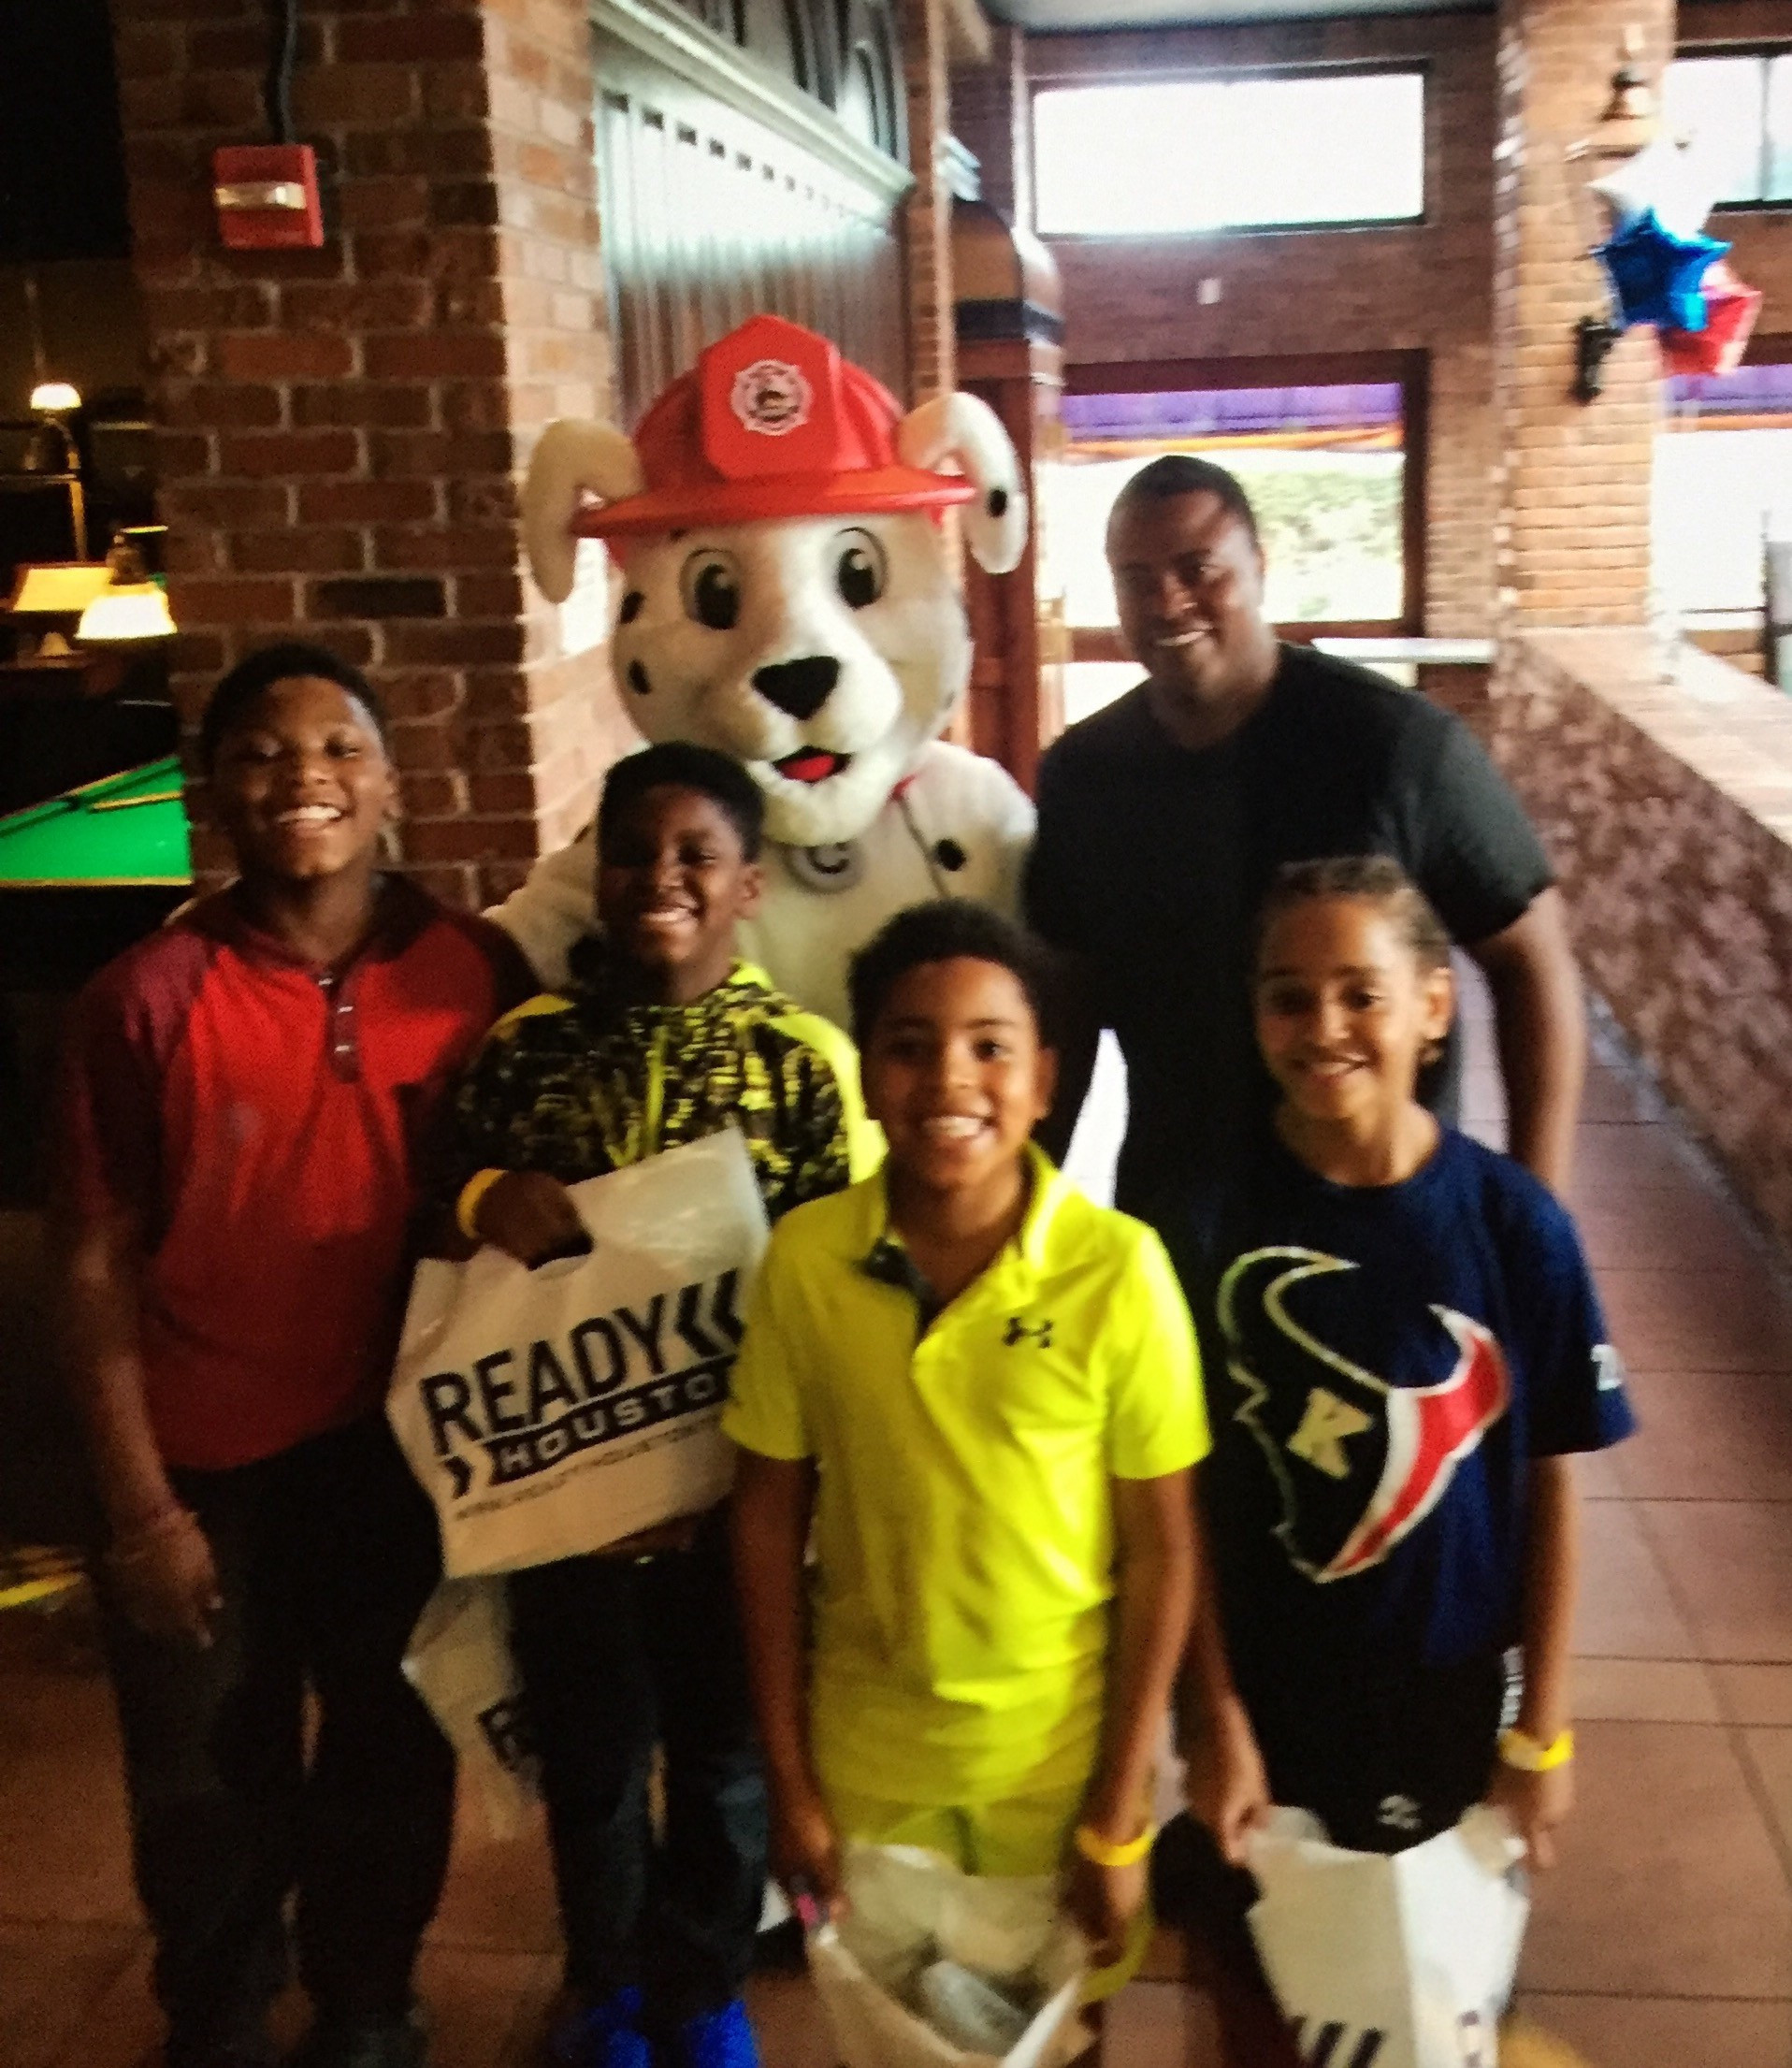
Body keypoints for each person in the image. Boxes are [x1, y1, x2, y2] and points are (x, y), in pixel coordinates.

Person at [54, 643, 532, 2068]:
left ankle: (369, 2003)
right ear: (213, 791)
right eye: (262, 753)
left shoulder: (477, 971)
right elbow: (90, 1262)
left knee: (393, 1742)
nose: (303, 777)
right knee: (206, 1773)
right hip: (201, 1463)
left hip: (400, 1452)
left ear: (389, 784)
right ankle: (217, 2012)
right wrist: (140, 1509)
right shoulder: (144, 996)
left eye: (338, 748)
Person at [447, 741, 875, 2068]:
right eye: (634, 851)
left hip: (737, 1502)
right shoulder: (527, 1048)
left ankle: (702, 1991)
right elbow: (445, 1214)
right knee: (589, 1757)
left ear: (749, 884)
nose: (661, 877)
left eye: (698, 854)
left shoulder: (804, 1062)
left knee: (725, 1757)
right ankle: (608, 1989)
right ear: (597, 871)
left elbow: (846, 1274)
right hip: (566, 1500)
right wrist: (482, 1197)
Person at [1166, 857, 1632, 2041]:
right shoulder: (1202, 1225)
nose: (1321, 1027)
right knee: (1260, 2003)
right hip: (1267, 1699)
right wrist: (1210, 1716)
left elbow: (1552, 1483)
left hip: (1450, 1698)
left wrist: (1541, 1727)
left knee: (1438, 2001)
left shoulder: (1512, 1225)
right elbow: (1177, 1500)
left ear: (1431, 1005)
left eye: (1357, 993)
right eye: (1286, 997)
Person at [726, 901, 1205, 2006]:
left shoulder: (1117, 1272)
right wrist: (788, 1785)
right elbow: (763, 1521)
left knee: (1055, 2034)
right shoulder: (806, 1260)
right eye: (909, 1045)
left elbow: (1162, 1551)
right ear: (865, 1075)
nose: (949, 1077)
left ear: (1043, 1082)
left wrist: (1119, 1812)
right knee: (889, 2035)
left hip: (1057, 1763)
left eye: (989, 1047)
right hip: (865, 1760)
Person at [1025, 455, 1585, 1221]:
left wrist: (1534, 1215)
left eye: (1198, 569)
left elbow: (1530, 958)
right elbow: (1068, 1007)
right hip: (1180, 1214)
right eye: (1136, 578)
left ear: (1259, 566)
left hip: (1387, 1213)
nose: (1168, 600)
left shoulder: (1394, 745)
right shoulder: (1084, 775)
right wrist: (1020, 1208)